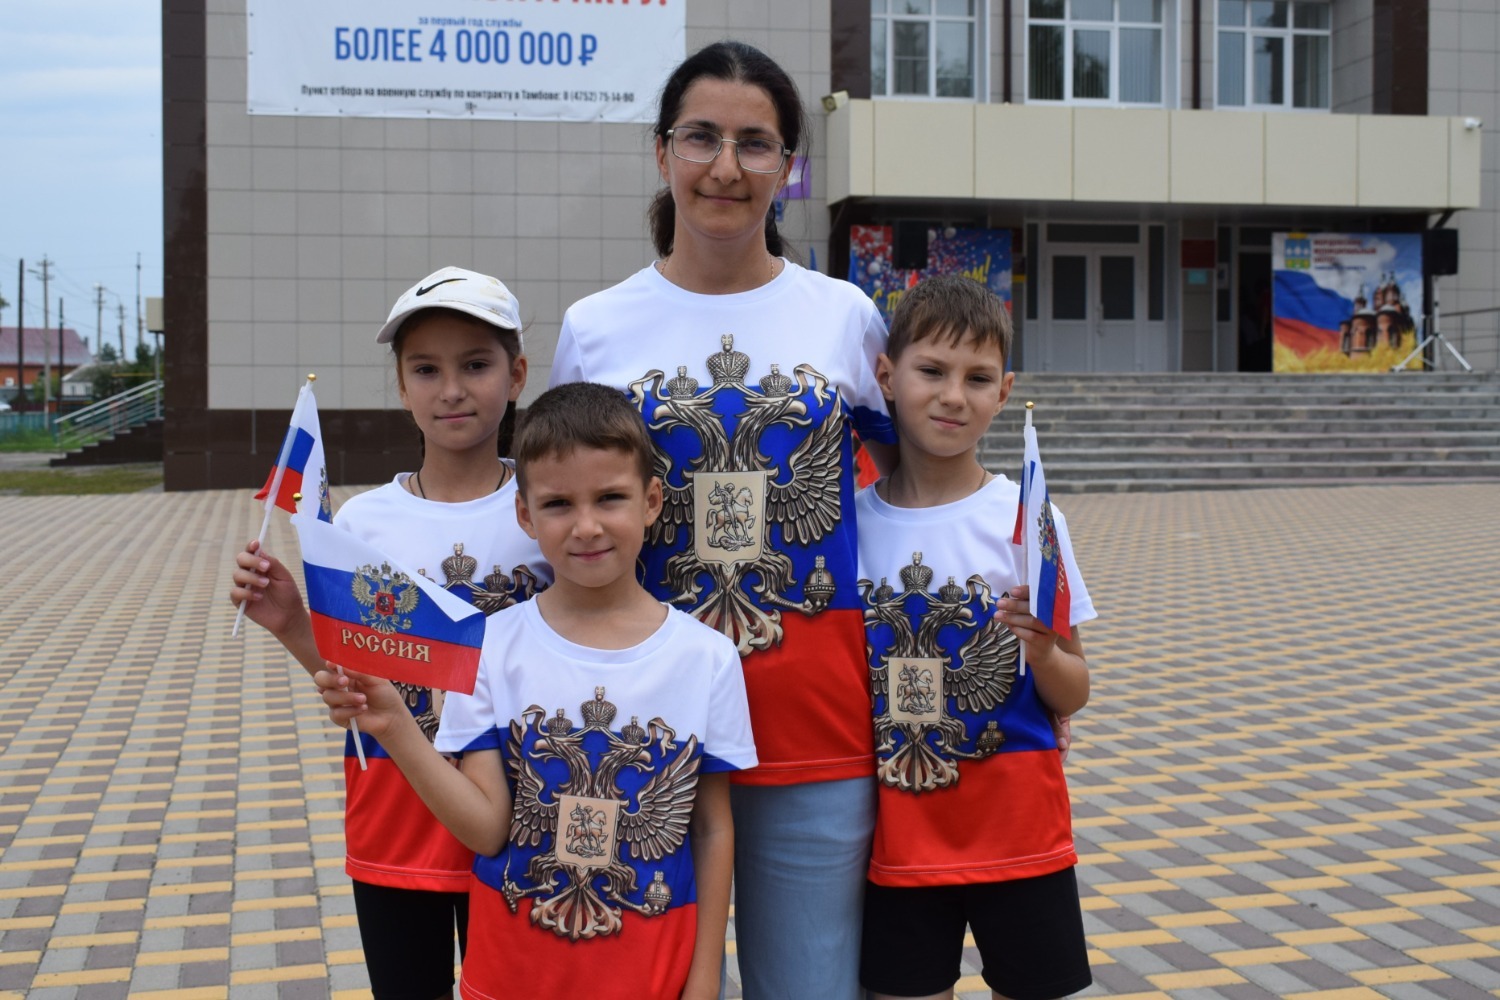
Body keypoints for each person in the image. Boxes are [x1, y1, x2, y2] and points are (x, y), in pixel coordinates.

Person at [550, 39, 897, 998]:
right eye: (701, 137)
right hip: (644, 725)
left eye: (755, 144)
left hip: (815, 724)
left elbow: (914, 501)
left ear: (788, 168)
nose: (726, 168)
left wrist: (1001, 683)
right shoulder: (596, 327)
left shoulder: (844, 316)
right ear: (662, 152)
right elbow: (556, 519)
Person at [317, 382, 756, 1000]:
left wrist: (705, 978)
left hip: (650, 976)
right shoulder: (490, 648)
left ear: (652, 501)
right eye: (557, 504)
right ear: (524, 515)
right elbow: (486, 830)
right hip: (511, 976)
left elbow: (712, 830)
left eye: (610, 498)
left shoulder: (707, 658)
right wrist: (393, 724)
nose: (586, 526)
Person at [229, 266, 549, 1000]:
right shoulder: (364, 523)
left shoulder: (547, 508)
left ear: (516, 374)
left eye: (476, 365)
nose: (452, 389)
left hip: (522, 822)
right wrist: (292, 624)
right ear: (401, 386)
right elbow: (358, 680)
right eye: (426, 369)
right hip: (395, 825)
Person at [856, 275, 1095, 1000]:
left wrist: (1042, 650)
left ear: (1004, 391)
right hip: (896, 836)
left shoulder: (1029, 521)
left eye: (978, 378)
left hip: (1020, 832)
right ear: (886, 376)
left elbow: (1075, 690)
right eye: (932, 370)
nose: (953, 396)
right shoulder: (847, 527)